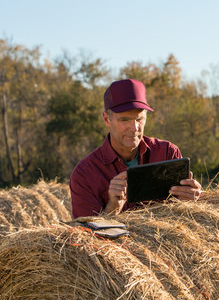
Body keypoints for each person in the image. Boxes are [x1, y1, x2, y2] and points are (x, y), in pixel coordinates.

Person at [69, 79, 202, 218]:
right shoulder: (84, 174)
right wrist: (113, 207)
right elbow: (85, 235)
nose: (134, 128)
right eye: (124, 120)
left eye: (139, 119)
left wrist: (189, 201)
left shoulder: (167, 152)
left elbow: (183, 220)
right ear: (107, 119)